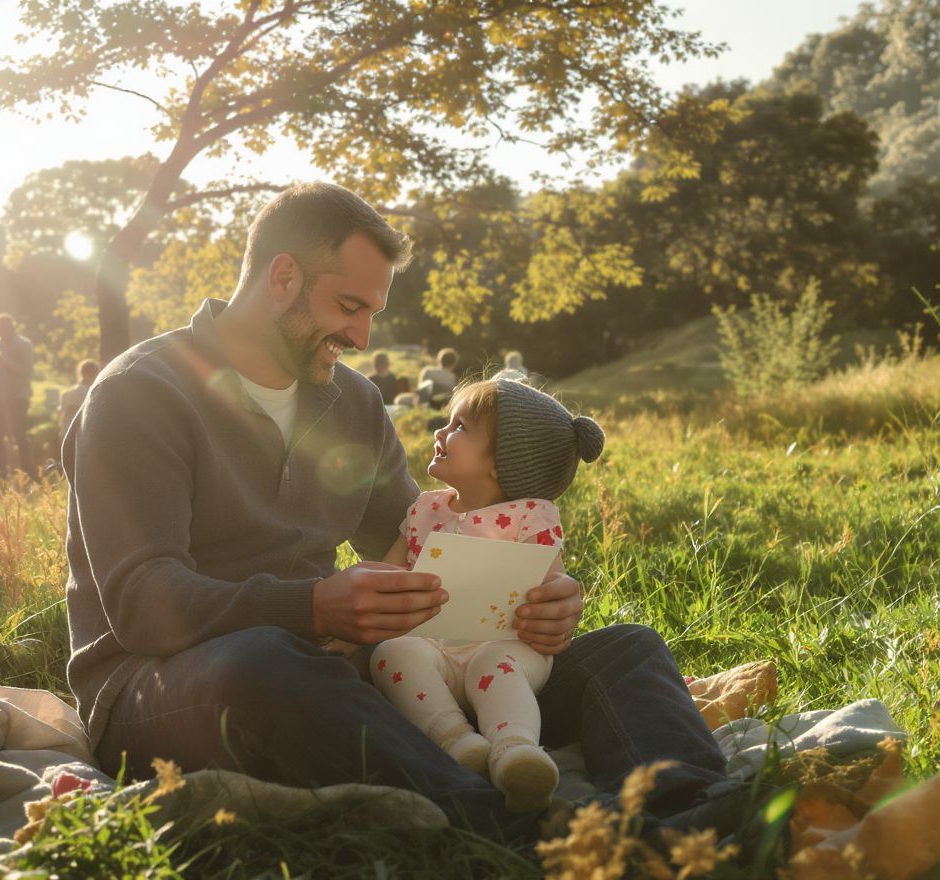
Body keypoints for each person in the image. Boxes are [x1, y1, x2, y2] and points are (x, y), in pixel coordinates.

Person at [63, 182, 732, 843]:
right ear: (284, 277)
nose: (361, 333)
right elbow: (143, 604)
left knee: (627, 651)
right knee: (266, 663)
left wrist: (534, 601)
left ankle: (687, 824)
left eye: (371, 311)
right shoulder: (138, 396)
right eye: (350, 305)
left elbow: (421, 548)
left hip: (335, 673)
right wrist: (317, 608)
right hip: (166, 688)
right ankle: (517, 836)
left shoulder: (352, 403)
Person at [370, 375, 603, 814]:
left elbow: (549, 587)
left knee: (493, 666)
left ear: (502, 461)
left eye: (459, 427)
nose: (441, 432)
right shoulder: (425, 508)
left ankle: (514, 749)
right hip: (432, 644)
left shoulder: (531, 515)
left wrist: (559, 599)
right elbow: (388, 569)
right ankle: (456, 741)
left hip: (507, 645)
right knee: (391, 654)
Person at [0, 313, 36, 478]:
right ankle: (1, 472)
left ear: (11, 327)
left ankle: (27, 471)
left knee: (19, 434)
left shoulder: (25, 345)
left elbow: (27, 370)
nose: (0, 332)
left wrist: (5, 361)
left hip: (18, 396)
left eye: (3, 328)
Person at [58, 359, 101, 443]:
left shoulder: (66, 395)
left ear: (81, 373)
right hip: (89, 438)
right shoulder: (98, 394)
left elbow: (61, 420)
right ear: (96, 374)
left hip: (67, 437)